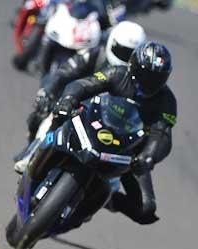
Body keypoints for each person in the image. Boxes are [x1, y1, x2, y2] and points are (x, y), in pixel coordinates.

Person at [51, 41, 177, 225]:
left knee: (145, 209)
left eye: (156, 78)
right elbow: (86, 84)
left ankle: (108, 199)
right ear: (134, 66)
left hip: (130, 150)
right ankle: (36, 152)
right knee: (57, 117)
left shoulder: (167, 101)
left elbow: (163, 134)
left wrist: (148, 157)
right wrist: (69, 99)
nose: (149, 82)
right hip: (95, 124)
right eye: (145, 74)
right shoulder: (118, 73)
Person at [21, 20, 147, 145]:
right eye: (123, 51)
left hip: (110, 124)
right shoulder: (95, 54)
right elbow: (63, 72)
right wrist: (47, 92)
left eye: (131, 55)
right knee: (43, 118)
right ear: (111, 42)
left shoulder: (138, 78)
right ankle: (31, 153)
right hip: (75, 108)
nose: (126, 58)